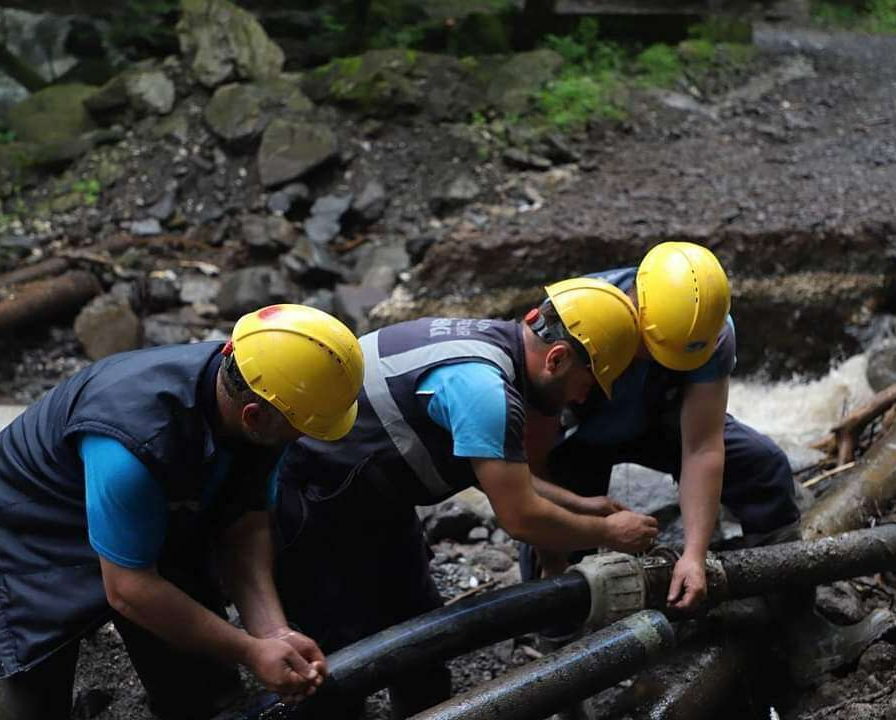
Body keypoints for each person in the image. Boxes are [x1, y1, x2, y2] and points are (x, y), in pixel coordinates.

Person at [273, 277, 660, 719]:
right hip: (314, 505)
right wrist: (608, 530)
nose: (581, 397)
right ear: (557, 358)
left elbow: (492, 470)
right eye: (587, 383)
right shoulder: (486, 392)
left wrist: (582, 505)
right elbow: (521, 518)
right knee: (334, 668)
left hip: (373, 499)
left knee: (420, 642)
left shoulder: (487, 344)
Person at [0, 304, 364, 720]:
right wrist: (249, 650)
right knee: (21, 704)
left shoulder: (261, 382)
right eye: (300, 431)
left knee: (207, 695)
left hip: (158, 508)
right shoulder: (134, 443)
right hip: (37, 522)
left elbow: (245, 525)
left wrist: (273, 633)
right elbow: (129, 589)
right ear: (255, 417)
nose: (302, 440)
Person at [520, 242, 801, 613]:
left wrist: (694, 555)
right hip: (576, 434)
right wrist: (554, 552)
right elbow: (531, 460)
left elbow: (702, 446)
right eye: (654, 350)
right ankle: (558, 627)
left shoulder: (707, 329)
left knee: (762, 467)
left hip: (658, 418)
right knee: (561, 528)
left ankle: (786, 611)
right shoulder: (575, 320)